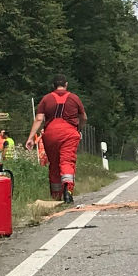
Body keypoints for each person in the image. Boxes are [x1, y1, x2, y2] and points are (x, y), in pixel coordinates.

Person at [25, 74, 87, 203]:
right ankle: (68, 191)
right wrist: (79, 128)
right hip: (69, 134)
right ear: (66, 84)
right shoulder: (74, 98)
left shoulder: (46, 99)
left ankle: (56, 195)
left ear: (53, 86)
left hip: (51, 134)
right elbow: (84, 118)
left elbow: (39, 119)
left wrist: (31, 137)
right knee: (67, 162)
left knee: (54, 164)